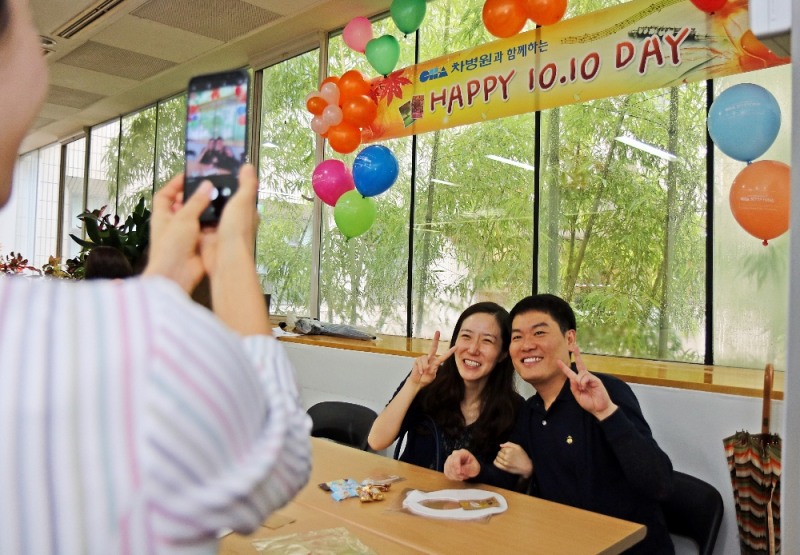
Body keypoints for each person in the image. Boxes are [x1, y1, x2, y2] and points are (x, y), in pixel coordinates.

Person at [0, 1, 311, 553]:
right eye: (33, 28)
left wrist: (160, 283)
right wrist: (232, 252)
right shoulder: (157, 347)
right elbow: (278, 451)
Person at [444, 294, 674, 554]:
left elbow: (661, 484)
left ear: (570, 339)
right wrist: (478, 470)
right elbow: (506, 477)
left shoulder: (605, 392)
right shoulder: (531, 411)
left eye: (539, 333)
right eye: (517, 337)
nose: (527, 345)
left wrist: (607, 412)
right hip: (562, 544)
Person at [368, 302, 523, 482]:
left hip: (466, 506)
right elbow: (377, 440)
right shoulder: (427, 383)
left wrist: (478, 470)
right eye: (466, 337)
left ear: (503, 353)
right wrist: (413, 384)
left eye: (487, 340)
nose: (473, 349)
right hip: (411, 498)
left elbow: (508, 479)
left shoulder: (514, 409)